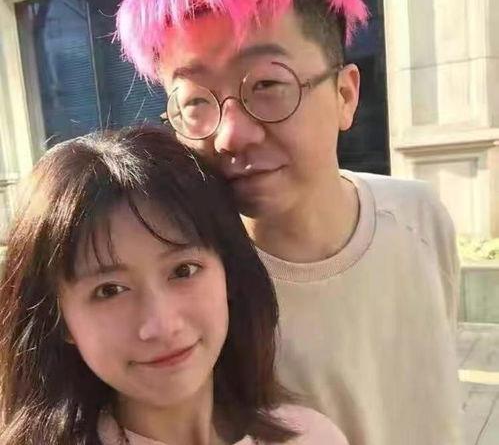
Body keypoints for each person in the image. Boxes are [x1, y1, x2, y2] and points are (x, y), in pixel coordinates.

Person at [115, 0, 464, 444]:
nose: (230, 135)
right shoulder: (191, 298)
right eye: (195, 102)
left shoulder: (418, 215)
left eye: (266, 84)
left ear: (344, 95)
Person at [0, 127, 348, 445]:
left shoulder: (313, 438)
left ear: (228, 272)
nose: (162, 325)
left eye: (183, 270)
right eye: (109, 290)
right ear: (59, 318)